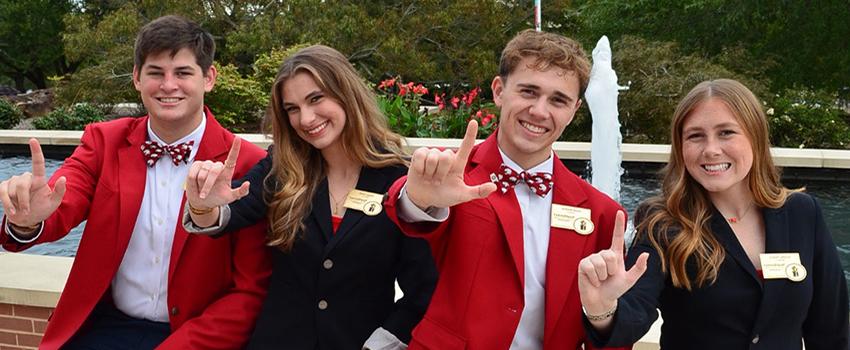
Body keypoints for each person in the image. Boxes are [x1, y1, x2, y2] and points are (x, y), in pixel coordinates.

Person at [0, 15, 272, 349]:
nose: (168, 85)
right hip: (105, 329)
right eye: (155, 73)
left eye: (183, 73)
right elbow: (62, 198)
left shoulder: (247, 164)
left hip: (196, 334)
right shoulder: (103, 141)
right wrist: (28, 222)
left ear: (209, 78)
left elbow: (250, 292)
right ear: (137, 79)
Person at [382, 29, 629, 349]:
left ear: (574, 111)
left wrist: (604, 314)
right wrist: (418, 199)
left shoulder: (603, 213)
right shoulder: (453, 178)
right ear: (499, 91)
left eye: (558, 100)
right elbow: (408, 208)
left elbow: (611, 336)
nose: (540, 111)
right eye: (528, 91)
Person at [182, 44, 437, 349]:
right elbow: (227, 214)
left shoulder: (400, 179)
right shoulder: (282, 168)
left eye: (316, 99)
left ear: (345, 93)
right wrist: (201, 206)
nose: (305, 118)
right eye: (292, 108)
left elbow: (423, 290)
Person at [578, 79, 849, 349]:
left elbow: (830, 328)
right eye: (695, 136)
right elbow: (633, 312)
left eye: (726, 133)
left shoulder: (802, 213)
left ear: (755, 137)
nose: (711, 150)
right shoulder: (661, 223)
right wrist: (603, 310)